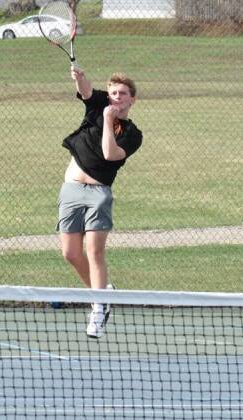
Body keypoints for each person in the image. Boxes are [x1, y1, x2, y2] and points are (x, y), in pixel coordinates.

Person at [57, 68, 143, 338]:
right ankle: (103, 292)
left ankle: (98, 307)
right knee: (70, 253)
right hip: (71, 189)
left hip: (98, 194)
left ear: (132, 100)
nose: (117, 97)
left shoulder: (132, 134)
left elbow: (109, 153)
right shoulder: (96, 105)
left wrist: (108, 119)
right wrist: (79, 76)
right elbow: (85, 91)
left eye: (123, 94)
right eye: (113, 92)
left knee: (94, 251)